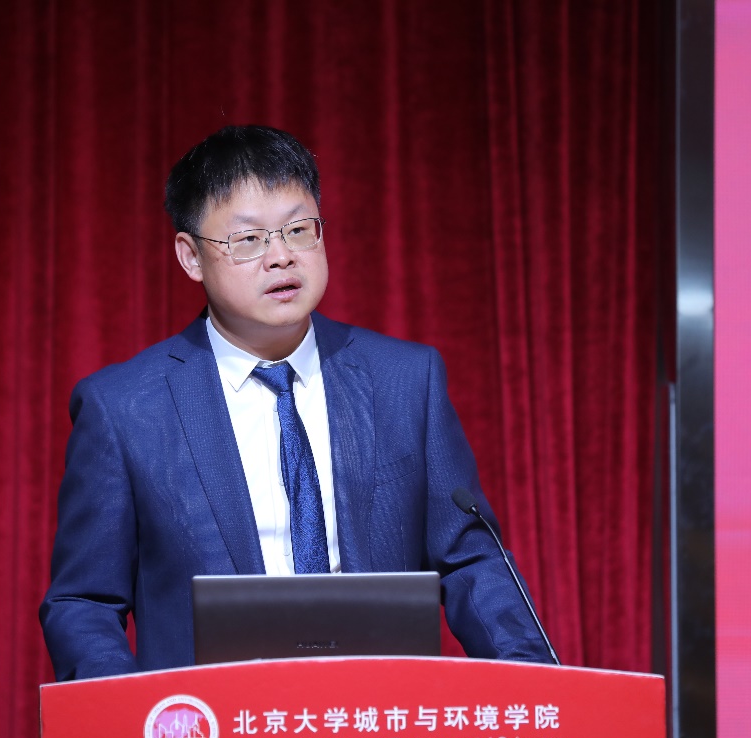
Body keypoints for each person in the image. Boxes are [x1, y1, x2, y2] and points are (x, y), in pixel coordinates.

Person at [40, 125, 553, 681]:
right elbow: (84, 602)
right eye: (248, 240)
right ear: (191, 257)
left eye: (298, 230)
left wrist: (540, 690)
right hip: (211, 727)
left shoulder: (404, 380)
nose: (281, 257)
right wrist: (130, 717)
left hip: (376, 717)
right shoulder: (125, 409)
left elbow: (473, 561)